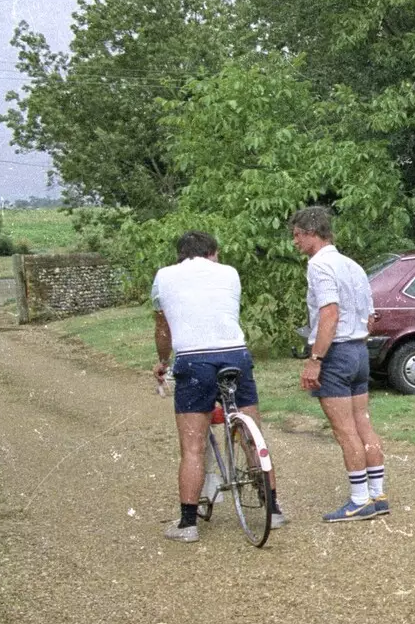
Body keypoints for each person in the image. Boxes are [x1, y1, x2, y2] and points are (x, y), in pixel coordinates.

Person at [151, 230, 285, 542]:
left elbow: (163, 327)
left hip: (193, 360)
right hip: (235, 355)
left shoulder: (164, 276)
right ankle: (273, 509)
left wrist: (162, 361)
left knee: (192, 447)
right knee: (253, 436)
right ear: (213, 252)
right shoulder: (230, 273)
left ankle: (187, 525)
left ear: (180, 254)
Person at [290, 206, 389, 522]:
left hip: (336, 353)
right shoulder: (353, 265)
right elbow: (371, 319)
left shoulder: (319, 266)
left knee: (345, 431)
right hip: (360, 350)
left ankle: (359, 500)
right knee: (363, 423)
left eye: (296, 236)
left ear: (310, 234)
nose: (294, 243)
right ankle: (378, 494)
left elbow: (328, 313)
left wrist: (315, 359)